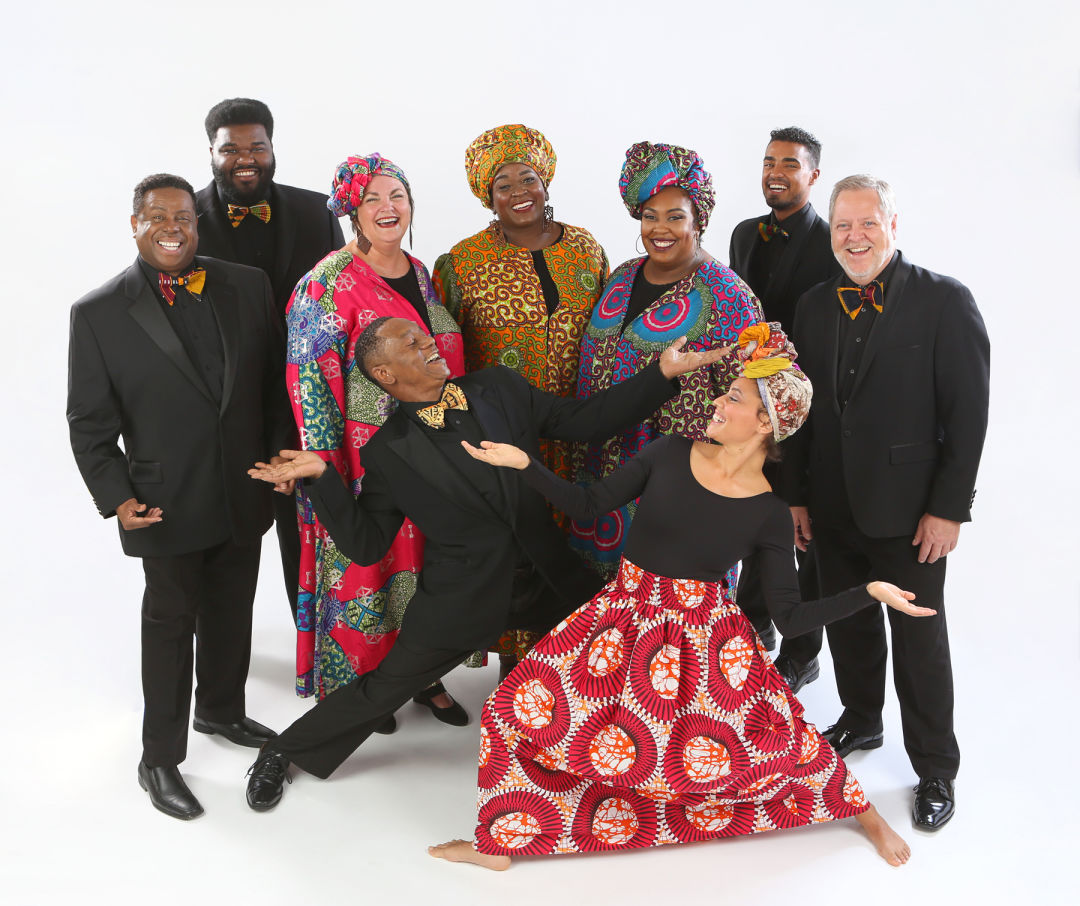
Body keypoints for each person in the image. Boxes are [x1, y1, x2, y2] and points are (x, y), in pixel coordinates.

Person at [428, 323, 928, 869]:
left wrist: (868, 592)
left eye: (733, 397)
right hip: (621, 616)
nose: (717, 402)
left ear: (766, 422)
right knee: (509, 712)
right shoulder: (668, 452)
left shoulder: (768, 513)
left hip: (704, 642)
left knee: (779, 741)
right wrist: (526, 465)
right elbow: (587, 505)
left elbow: (788, 615)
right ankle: (503, 840)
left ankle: (866, 816)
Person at [243, 316, 726, 811]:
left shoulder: (499, 387)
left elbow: (586, 421)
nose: (430, 342)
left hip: (548, 574)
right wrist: (322, 477)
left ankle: (687, 749)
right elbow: (366, 545)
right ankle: (281, 752)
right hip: (463, 595)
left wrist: (661, 374)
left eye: (425, 334)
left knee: (634, 647)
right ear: (385, 374)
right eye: (412, 343)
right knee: (385, 688)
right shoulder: (388, 452)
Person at [67, 174, 292, 820]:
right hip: (162, 502)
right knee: (169, 627)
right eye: (158, 216)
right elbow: (88, 422)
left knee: (232, 609)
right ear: (135, 224)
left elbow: (273, 386)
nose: (173, 227)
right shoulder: (98, 313)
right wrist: (116, 498)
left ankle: (220, 709)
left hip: (244, 487)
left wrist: (281, 455)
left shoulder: (247, 285)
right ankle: (158, 758)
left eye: (184, 217)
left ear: (197, 223)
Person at [780, 175, 990, 831]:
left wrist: (948, 509)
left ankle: (935, 768)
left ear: (893, 226)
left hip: (912, 513)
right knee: (850, 625)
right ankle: (862, 719)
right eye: (843, 225)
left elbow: (968, 416)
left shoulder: (945, 301)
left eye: (868, 223)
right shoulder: (813, 305)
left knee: (920, 641)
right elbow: (801, 413)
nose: (855, 237)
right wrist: (797, 497)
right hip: (831, 504)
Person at [285, 153, 468, 727]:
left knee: (423, 566)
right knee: (366, 569)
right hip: (362, 461)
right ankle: (362, 686)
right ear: (352, 211)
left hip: (429, 450)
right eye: (372, 199)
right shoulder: (324, 285)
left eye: (397, 196)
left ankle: (423, 676)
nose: (388, 209)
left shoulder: (421, 272)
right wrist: (326, 470)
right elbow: (308, 383)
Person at [433, 123, 609, 679]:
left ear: (546, 180)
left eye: (527, 178)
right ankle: (517, 670)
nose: (518, 192)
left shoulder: (585, 249)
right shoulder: (462, 262)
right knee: (518, 550)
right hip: (504, 437)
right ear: (487, 196)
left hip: (579, 432)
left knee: (578, 545)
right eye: (502, 184)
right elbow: (443, 355)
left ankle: (578, 661)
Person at [571, 141, 761, 578]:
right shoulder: (622, 276)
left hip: (679, 495)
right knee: (598, 610)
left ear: (698, 220)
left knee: (667, 612)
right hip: (599, 484)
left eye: (675, 216)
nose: (660, 229)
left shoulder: (728, 296)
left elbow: (750, 406)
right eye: (649, 216)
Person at [195, 98, 345, 623]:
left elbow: (339, 302)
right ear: (210, 152)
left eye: (256, 146)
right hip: (219, 411)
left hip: (305, 407)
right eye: (230, 149)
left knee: (306, 538)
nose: (245, 158)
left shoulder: (317, 211)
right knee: (223, 548)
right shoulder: (184, 218)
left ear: (272, 147)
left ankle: (313, 646)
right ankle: (222, 659)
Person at [727, 126, 843, 692]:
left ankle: (803, 653)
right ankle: (755, 623)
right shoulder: (744, 234)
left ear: (813, 175)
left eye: (790, 164)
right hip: (751, 409)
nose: (776, 172)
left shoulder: (831, 242)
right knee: (753, 517)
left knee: (804, 535)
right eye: (769, 161)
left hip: (808, 412)